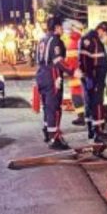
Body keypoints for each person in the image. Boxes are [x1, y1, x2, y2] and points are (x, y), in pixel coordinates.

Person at [36, 17, 79, 149]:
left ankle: (47, 130)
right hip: (52, 76)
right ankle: (54, 138)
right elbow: (58, 60)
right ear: (56, 28)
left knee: (47, 106)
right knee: (54, 107)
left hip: (41, 74)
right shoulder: (56, 40)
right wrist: (72, 71)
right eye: (60, 27)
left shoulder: (42, 39)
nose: (62, 30)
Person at [79, 21, 107, 142]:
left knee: (90, 102)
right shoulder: (90, 39)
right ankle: (98, 131)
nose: (106, 36)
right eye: (106, 33)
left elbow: (97, 59)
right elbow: (84, 59)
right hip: (94, 76)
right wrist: (89, 76)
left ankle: (92, 130)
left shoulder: (93, 39)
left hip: (94, 76)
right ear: (101, 30)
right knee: (97, 102)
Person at [63, 20, 86, 127]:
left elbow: (70, 60)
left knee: (77, 96)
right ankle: (82, 116)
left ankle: (82, 117)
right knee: (79, 96)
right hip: (78, 74)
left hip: (76, 74)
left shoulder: (74, 41)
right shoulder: (79, 41)